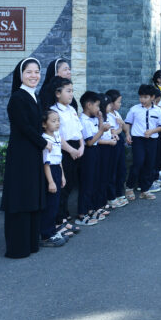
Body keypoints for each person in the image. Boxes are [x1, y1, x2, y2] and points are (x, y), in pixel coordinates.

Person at [0, 58, 50, 259]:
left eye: (37, 72)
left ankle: (30, 243)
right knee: (21, 196)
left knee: (31, 194)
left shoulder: (34, 96)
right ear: (20, 75)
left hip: (33, 153)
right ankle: (18, 247)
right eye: (29, 72)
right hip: (21, 155)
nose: (34, 76)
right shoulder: (17, 98)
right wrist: (44, 142)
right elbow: (24, 127)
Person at [46, 76, 85, 226]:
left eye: (72, 91)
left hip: (76, 148)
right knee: (63, 185)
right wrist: (71, 150)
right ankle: (59, 219)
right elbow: (57, 135)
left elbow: (78, 129)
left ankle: (64, 214)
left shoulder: (72, 109)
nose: (71, 94)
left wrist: (81, 146)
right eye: (68, 91)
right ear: (58, 93)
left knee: (71, 184)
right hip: (64, 149)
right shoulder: (54, 111)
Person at [124, 84, 161, 200]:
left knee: (149, 164)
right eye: (140, 97)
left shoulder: (158, 111)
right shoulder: (134, 109)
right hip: (138, 140)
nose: (142, 100)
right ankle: (129, 187)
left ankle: (145, 189)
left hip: (152, 140)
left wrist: (152, 131)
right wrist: (127, 134)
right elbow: (127, 123)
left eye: (145, 97)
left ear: (152, 97)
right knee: (138, 162)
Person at [78, 91, 110, 225]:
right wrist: (102, 130)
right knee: (87, 183)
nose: (98, 109)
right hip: (88, 152)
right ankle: (82, 213)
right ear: (88, 105)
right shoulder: (83, 120)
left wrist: (100, 119)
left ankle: (90, 208)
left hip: (96, 151)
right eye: (97, 106)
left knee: (95, 181)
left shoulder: (93, 118)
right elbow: (90, 142)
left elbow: (99, 132)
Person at [40, 109, 67, 248]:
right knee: (50, 204)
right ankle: (46, 235)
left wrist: (62, 175)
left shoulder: (56, 135)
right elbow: (46, 162)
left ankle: (52, 231)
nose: (57, 123)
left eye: (58, 120)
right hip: (49, 172)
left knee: (55, 204)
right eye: (53, 121)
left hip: (57, 170)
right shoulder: (45, 140)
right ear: (44, 124)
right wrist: (51, 182)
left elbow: (59, 158)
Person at [105, 89, 129, 207]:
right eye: (118, 102)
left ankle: (119, 193)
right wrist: (120, 126)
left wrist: (125, 131)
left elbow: (124, 127)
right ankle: (111, 196)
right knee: (112, 170)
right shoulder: (107, 116)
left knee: (121, 169)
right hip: (112, 144)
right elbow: (113, 132)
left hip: (119, 143)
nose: (120, 104)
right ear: (111, 103)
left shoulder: (116, 113)